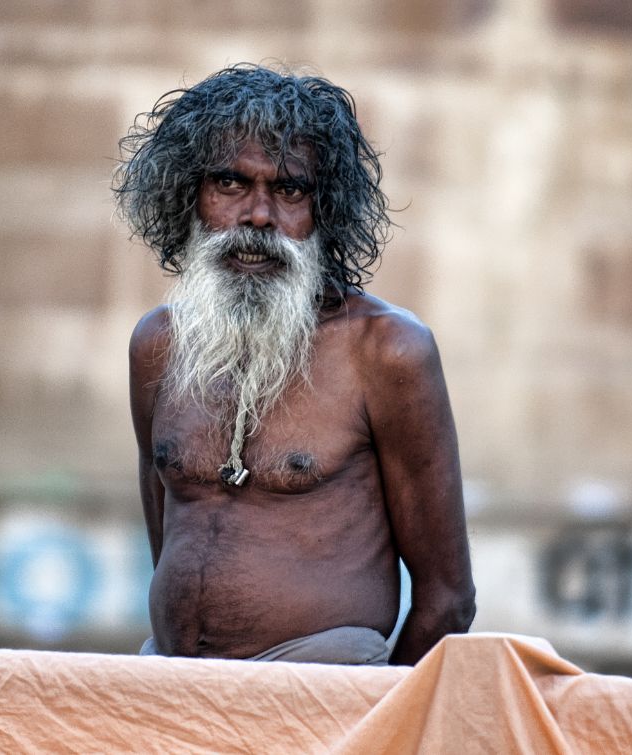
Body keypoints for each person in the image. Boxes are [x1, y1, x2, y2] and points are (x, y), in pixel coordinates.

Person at [114, 64, 475, 666]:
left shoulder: (386, 351)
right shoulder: (156, 343)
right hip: (170, 687)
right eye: (230, 184)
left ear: (325, 210)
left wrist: (375, 714)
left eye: (289, 191)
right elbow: (169, 537)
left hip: (326, 699)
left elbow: (448, 601)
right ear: (190, 197)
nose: (258, 216)